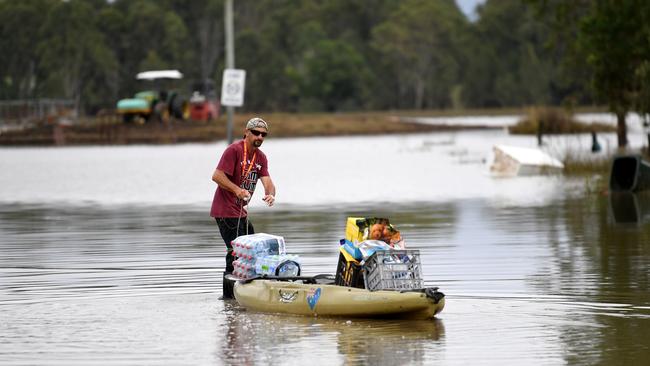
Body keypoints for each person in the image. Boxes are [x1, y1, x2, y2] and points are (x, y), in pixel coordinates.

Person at [211, 117, 276, 296]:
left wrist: (270, 194)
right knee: (235, 252)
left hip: (240, 211)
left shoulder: (261, 157)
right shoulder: (234, 150)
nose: (260, 137)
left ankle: (245, 293)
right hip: (225, 210)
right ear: (246, 132)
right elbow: (216, 176)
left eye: (263, 134)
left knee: (251, 251)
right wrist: (236, 190)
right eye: (256, 133)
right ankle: (229, 296)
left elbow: (268, 181)